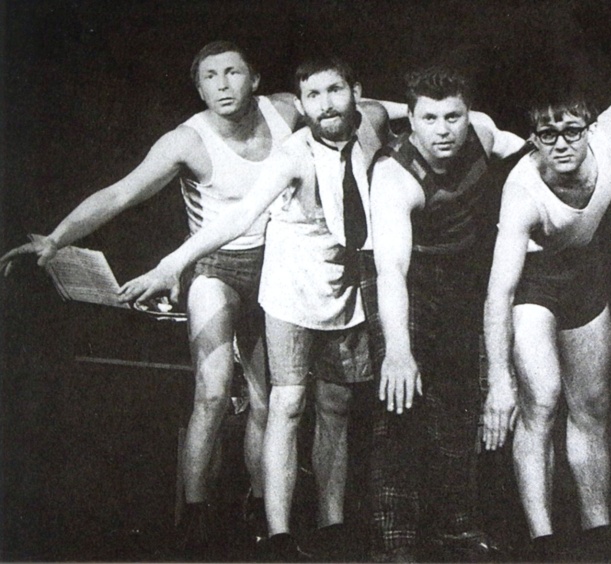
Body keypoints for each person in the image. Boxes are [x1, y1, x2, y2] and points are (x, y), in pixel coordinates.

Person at [0, 40, 300, 557]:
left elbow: (359, 106)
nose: (223, 85)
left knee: (265, 402)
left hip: (278, 266)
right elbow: (122, 192)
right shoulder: (187, 140)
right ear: (199, 88)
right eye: (211, 76)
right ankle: (196, 516)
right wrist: (57, 237)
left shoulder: (286, 111)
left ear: (254, 78)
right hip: (213, 266)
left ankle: (256, 509)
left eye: (233, 73)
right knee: (212, 392)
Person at [118, 56, 391, 561]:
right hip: (281, 285)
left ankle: (327, 527)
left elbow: (419, 112)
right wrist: (171, 263)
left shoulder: (372, 124)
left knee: (333, 405)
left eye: (335, 91)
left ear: (356, 92)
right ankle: (266, 531)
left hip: (342, 286)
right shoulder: (290, 153)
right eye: (313, 96)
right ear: (301, 103)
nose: (326, 104)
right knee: (272, 401)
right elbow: (240, 215)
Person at [481, 39, 611, 559]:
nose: (562, 144)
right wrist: (499, 379)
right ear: (534, 139)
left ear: (588, 128)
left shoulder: (607, 139)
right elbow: (500, 291)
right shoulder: (522, 192)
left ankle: (598, 534)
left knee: (592, 406)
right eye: (548, 135)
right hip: (534, 283)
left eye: (572, 130)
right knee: (543, 398)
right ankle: (542, 540)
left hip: (583, 274)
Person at [367, 65, 526, 562]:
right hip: (408, 284)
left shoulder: (481, 131)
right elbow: (390, 270)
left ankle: (456, 526)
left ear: (467, 114)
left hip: (463, 279)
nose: (443, 130)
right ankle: (396, 540)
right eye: (430, 118)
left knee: (460, 407)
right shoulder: (394, 174)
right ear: (411, 120)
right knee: (400, 403)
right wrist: (398, 350)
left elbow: (522, 151)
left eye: (452, 117)